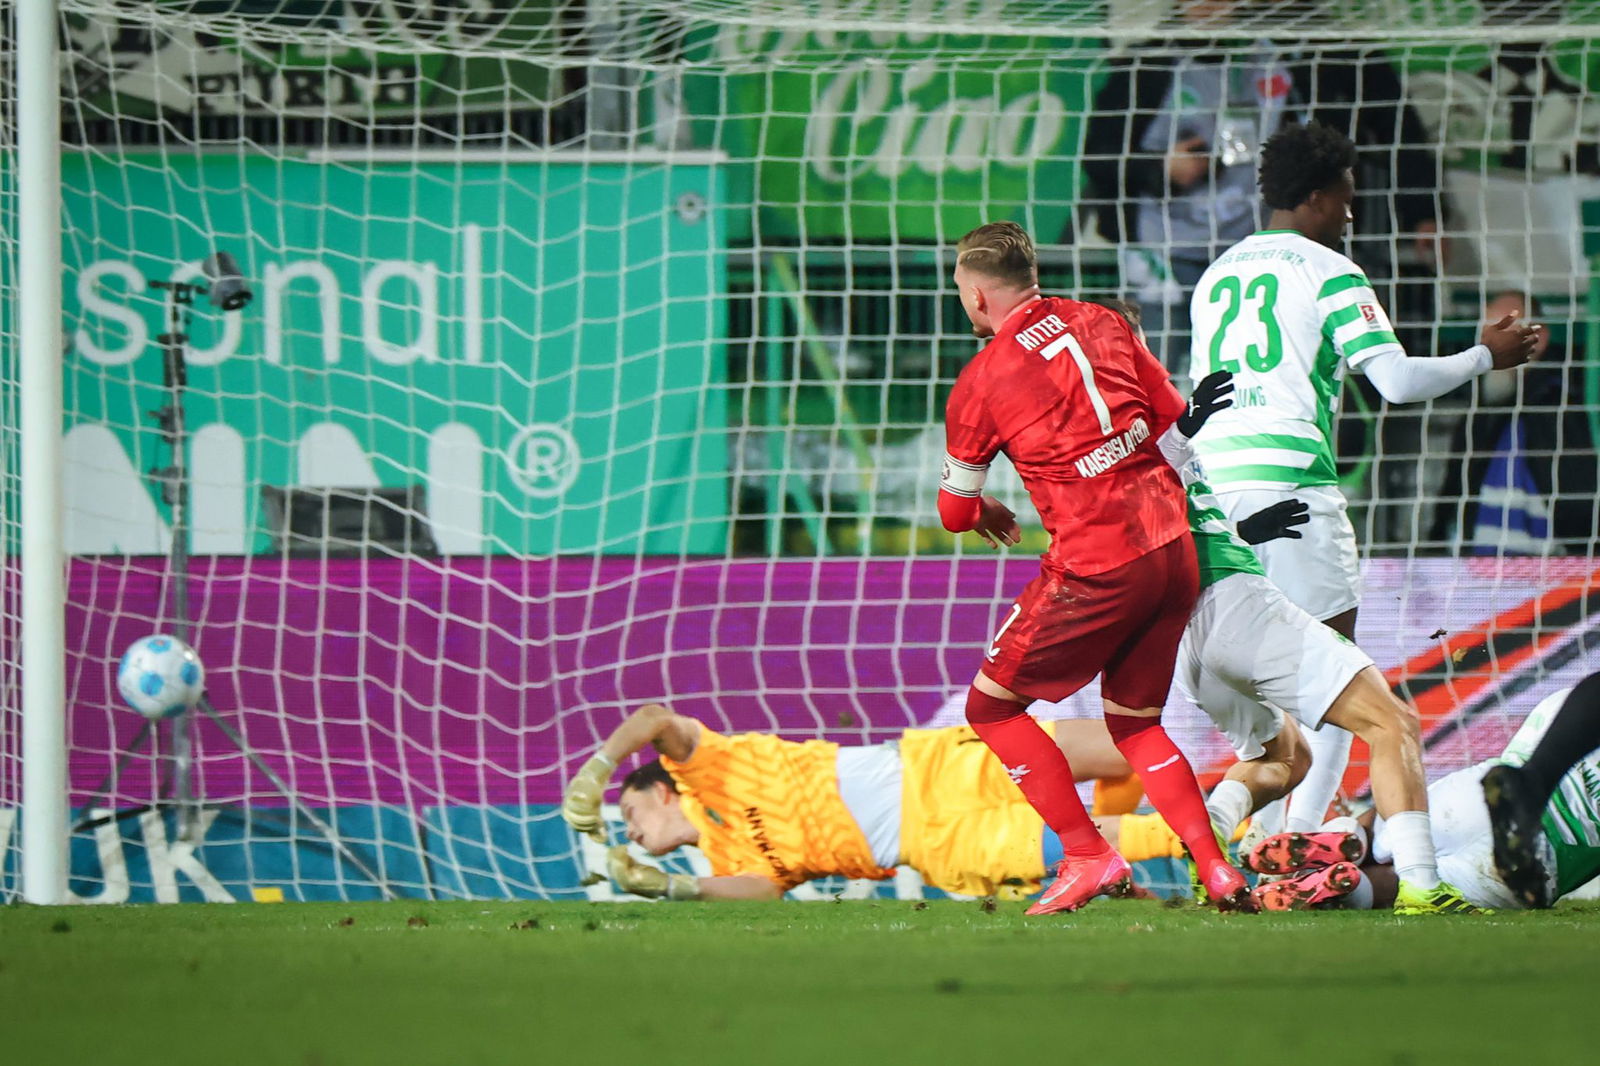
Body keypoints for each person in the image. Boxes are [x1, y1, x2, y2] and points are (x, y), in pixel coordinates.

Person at [1186, 121, 1540, 912]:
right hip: (1292, 484)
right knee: (1342, 669)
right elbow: (1397, 383)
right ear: (1316, 198)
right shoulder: (1333, 271)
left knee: (1279, 676)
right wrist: (1486, 354)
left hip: (1212, 491)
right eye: (1346, 198)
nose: (1353, 213)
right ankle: (1305, 835)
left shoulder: (1216, 276)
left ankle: (1254, 822)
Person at [1097, 300, 1470, 915]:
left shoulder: (1115, 429)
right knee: (1392, 723)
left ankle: (1214, 844)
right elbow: (1134, 490)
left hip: (1187, 642)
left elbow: (1158, 522)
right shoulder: (1137, 430)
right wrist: (1184, 425)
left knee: (1283, 758)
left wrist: (1247, 526)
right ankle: (1425, 889)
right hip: (1233, 609)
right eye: (1127, 343)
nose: (1139, 354)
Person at [937, 220, 1254, 914]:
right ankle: (1217, 869)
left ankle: (1087, 855)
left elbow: (955, 514)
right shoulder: (1106, 322)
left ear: (980, 298)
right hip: (1172, 550)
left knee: (990, 707)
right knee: (1136, 722)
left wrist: (989, 510)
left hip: (1098, 562)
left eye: (961, 289)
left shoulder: (981, 381)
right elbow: (1173, 420)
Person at [1080, 0, 1446, 378]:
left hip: (1264, 254)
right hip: (1166, 254)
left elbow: (1396, 127)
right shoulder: (1144, 67)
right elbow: (1097, 158)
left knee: (1263, 371)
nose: (1210, 5)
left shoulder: (1300, 55)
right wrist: (1161, 168)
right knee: (1157, 374)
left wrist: (1423, 212)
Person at [559, 702, 1192, 901]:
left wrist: (598, 768)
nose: (632, 833)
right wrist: (670, 890)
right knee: (1088, 843)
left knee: (1123, 749)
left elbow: (652, 717)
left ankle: (1242, 780)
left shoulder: (709, 768)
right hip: (935, 844)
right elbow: (765, 891)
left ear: (662, 791)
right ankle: (1229, 840)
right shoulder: (725, 861)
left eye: (633, 815)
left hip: (937, 767)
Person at [1248, 681, 1600, 912]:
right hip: (1543, 860)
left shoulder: (1578, 700)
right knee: (1398, 887)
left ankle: (1347, 836)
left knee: (1402, 827)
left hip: (1478, 801)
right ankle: (1348, 888)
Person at [1429, 291, 1597, 555]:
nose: (1488, 348)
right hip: (1476, 574)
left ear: (1538, 339)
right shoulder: (1479, 416)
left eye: (1502, 333)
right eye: (1484, 337)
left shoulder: (1562, 410)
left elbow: (1578, 504)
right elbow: (1452, 500)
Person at [1483, 672, 1600, 908]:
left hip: (1468, 795)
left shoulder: (1562, 704)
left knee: (1408, 868)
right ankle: (1532, 784)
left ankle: (1532, 781)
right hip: (1542, 856)